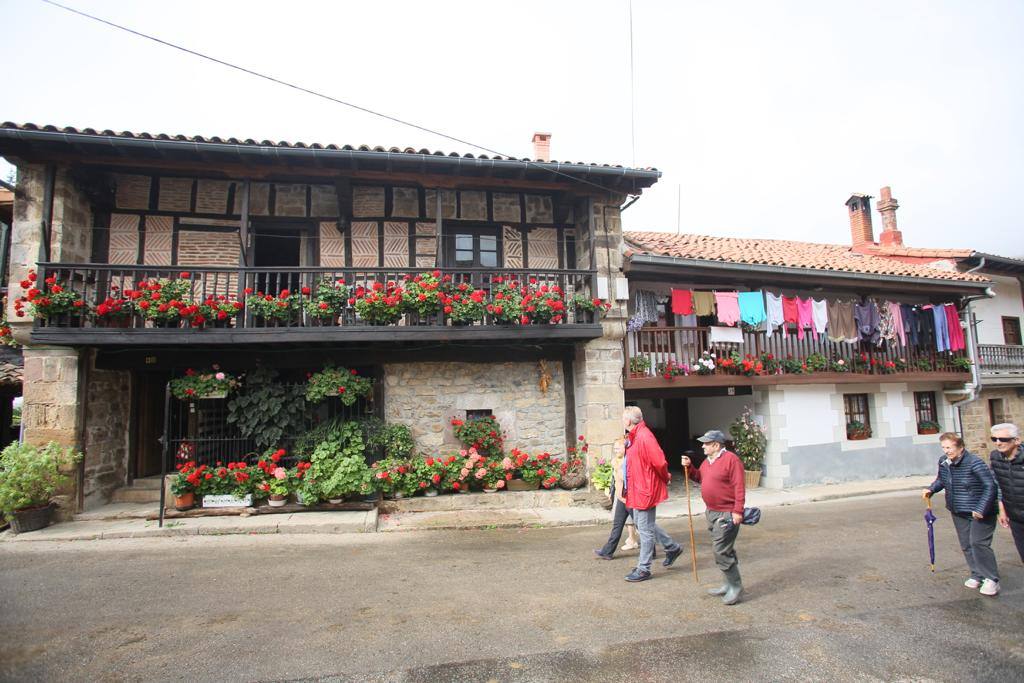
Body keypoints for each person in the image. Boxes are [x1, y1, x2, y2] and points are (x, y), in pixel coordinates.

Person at [922, 432, 999, 596]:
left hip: (979, 511)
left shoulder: (974, 463)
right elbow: (941, 480)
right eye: (943, 447)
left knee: (979, 543)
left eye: (949, 447)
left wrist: (981, 508)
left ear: (960, 447)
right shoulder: (944, 462)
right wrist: (931, 489)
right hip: (958, 510)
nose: (946, 450)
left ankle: (991, 578)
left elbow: (990, 486)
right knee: (966, 544)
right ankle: (977, 574)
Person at [682, 430, 746, 605]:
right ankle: (728, 584)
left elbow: (739, 487)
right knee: (726, 549)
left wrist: (737, 511)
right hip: (711, 511)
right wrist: (690, 468)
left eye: (706, 443)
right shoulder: (708, 461)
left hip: (726, 512)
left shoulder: (731, 460)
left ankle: (735, 586)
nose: (702, 446)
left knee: (720, 551)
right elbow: (699, 477)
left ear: (716, 445)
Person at [622, 406, 682, 582]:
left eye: (622, 418)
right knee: (644, 526)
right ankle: (672, 547)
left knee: (645, 530)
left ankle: (644, 568)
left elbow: (659, 462)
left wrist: (666, 477)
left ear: (627, 421)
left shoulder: (644, 436)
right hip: (639, 487)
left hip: (645, 489)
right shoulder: (635, 436)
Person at [593, 439, 642, 559]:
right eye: (614, 449)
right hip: (621, 498)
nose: (615, 451)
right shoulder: (615, 461)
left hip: (630, 498)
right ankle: (607, 551)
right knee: (617, 525)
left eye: (618, 448)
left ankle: (656, 549)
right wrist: (611, 491)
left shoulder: (629, 461)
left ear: (625, 449)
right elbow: (615, 480)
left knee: (642, 525)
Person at [988, 423, 1024, 563]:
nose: (998, 443)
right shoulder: (995, 458)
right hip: (1015, 516)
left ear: (1016, 441)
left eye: (1003, 439)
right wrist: (1001, 511)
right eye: (994, 439)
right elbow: (998, 486)